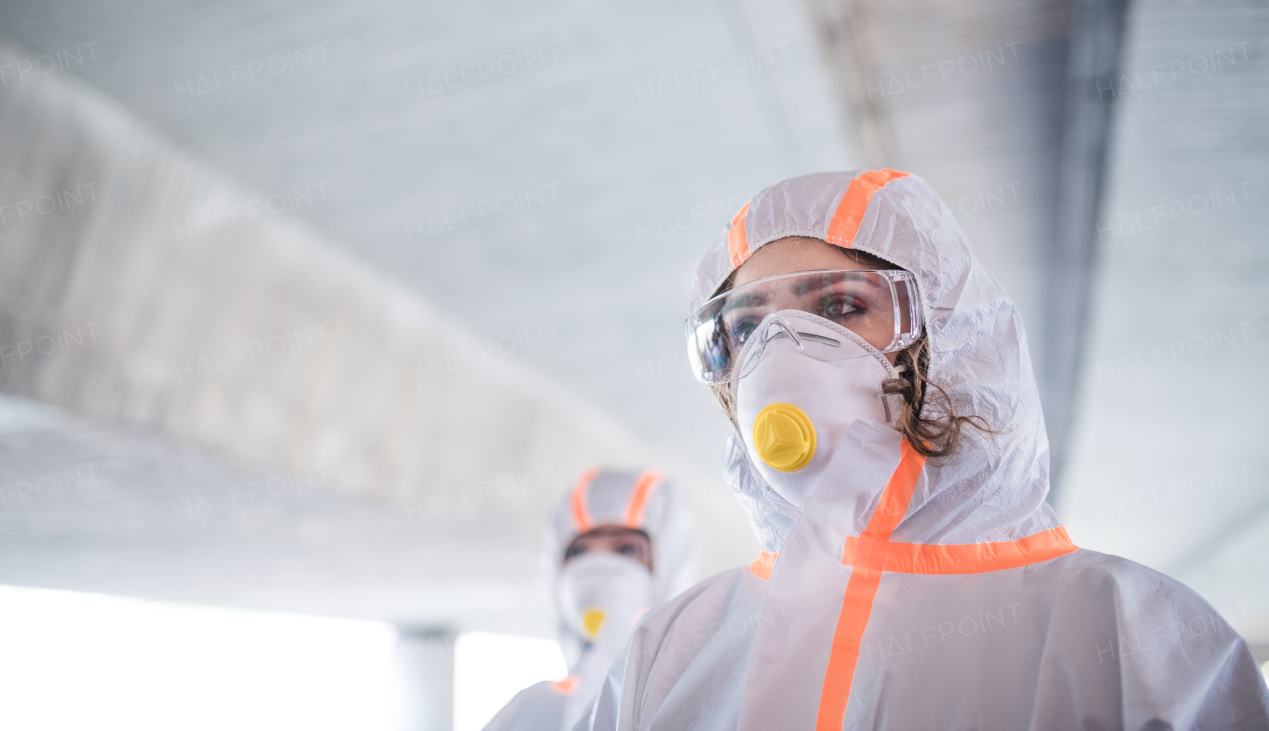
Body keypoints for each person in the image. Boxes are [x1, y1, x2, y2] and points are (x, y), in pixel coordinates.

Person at [584, 170, 1269, 730]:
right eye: (747, 326)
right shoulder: (670, 650)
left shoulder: (1133, 636)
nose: (779, 355)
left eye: (840, 308)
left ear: (944, 332)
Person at [485, 468, 695, 731]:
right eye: (579, 551)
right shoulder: (528, 712)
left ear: (669, 568)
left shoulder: (705, 704)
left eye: (627, 549)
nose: (598, 567)